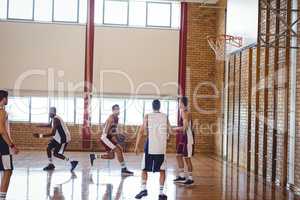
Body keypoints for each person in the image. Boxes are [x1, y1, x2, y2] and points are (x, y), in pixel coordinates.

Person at [134, 99, 173, 200]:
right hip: (160, 147)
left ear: (152, 107)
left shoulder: (147, 116)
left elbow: (141, 132)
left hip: (150, 146)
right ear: (159, 106)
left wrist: (137, 146)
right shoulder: (165, 116)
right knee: (162, 169)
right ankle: (161, 193)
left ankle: (143, 189)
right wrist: (168, 138)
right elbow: (171, 132)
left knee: (144, 169)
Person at [89, 104, 133, 176]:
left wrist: (116, 135)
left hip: (108, 137)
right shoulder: (111, 118)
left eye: (118, 109)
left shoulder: (116, 118)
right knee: (119, 150)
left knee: (111, 156)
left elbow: (106, 127)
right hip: (105, 138)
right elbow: (107, 131)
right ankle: (124, 169)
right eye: (115, 109)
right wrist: (118, 134)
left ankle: (94, 156)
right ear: (113, 111)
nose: (117, 111)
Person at [34, 107, 78, 172]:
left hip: (63, 138)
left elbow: (53, 133)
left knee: (56, 153)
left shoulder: (56, 119)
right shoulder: (53, 118)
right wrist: (39, 125)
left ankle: (72, 162)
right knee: (48, 148)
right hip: (57, 137)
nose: (48, 114)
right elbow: (49, 125)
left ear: (53, 113)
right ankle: (51, 164)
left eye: (49, 112)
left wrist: (40, 136)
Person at [0, 90, 19, 200]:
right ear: (4, 99)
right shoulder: (2, 111)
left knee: (5, 170)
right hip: (2, 145)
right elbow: (2, 131)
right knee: (8, 171)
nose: (8, 100)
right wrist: (12, 145)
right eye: (7, 98)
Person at [173, 96, 194, 186]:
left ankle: (190, 178)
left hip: (187, 137)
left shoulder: (185, 113)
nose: (179, 104)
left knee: (187, 158)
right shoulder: (182, 112)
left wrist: (174, 129)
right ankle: (181, 176)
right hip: (183, 137)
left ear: (182, 103)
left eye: (179, 102)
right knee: (178, 155)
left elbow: (185, 127)